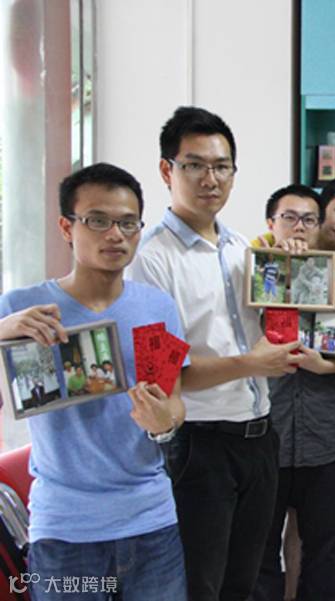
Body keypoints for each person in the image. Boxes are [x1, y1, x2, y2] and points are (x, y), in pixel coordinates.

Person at [128, 106, 303, 601]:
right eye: (195, 165)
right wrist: (252, 364)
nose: (211, 178)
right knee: (200, 585)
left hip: (259, 437)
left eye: (222, 166)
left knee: (244, 582)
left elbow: (270, 332)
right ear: (167, 170)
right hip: (201, 447)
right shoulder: (151, 260)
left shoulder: (241, 247)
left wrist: (291, 278)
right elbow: (165, 377)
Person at [0, 163, 188, 600]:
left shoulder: (157, 307)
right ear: (67, 227)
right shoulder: (24, 308)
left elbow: (175, 400)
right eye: (98, 221)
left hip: (151, 523)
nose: (115, 235)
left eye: (128, 223)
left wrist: (165, 422)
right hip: (65, 531)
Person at [252, 183, 335, 601]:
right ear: (272, 222)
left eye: (307, 219)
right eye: (290, 218)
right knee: (259, 547)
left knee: (322, 547)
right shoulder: (255, 266)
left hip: (324, 435)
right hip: (264, 432)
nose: (300, 226)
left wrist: (329, 365)